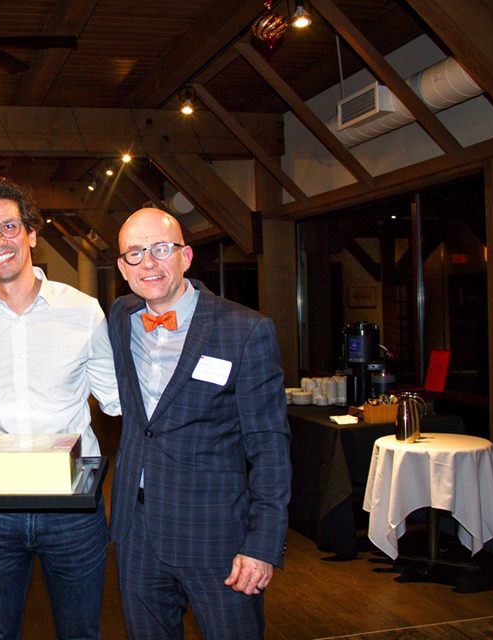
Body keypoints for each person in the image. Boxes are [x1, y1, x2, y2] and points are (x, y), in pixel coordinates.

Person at [0, 180, 120, 640]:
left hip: (74, 505)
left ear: (31, 234)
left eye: (8, 226)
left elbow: (116, 399)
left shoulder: (83, 312)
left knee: (81, 632)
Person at [108, 208, 291, 640]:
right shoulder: (120, 317)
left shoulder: (245, 330)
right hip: (136, 532)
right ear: (122, 267)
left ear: (185, 257)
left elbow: (270, 446)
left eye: (161, 249)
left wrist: (262, 544)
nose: (148, 263)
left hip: (217, 536)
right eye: (135, 253)